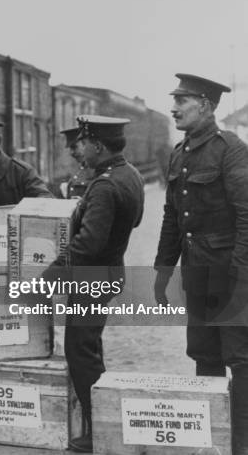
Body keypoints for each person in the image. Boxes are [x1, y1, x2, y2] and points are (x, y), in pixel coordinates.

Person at [153, 74, 248, 454]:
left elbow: (247, 216)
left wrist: (240, 277)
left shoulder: (231, 150)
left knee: (240, 360)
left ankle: (241, 444)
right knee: (204, 355)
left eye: (183, 101)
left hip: (230, 276)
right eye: (174, 100)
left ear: (206, 106)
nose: (174, 107)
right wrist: (162, 272)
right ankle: (212, 439)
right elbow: (172, 218)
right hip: (198, 277)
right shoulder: (180, 153)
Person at [44, 115, 144, 453]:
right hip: (109, 273)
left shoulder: (103, 185)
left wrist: (45, 282)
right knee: (91, 347)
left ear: (98, 145)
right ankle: (102, 420)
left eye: (83, 143)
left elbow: (86, 246)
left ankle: (96, 431)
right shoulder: (130, 175)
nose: (79, 151)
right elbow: (134, 221)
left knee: (80, 352)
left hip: (92, 279)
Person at [61, 126, 94, 199]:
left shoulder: (96, 171)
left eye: (74, 147)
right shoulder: (79, 170)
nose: (71, 153)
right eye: (70, 149)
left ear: (86, 144)